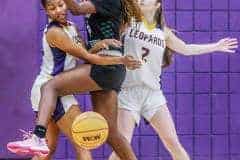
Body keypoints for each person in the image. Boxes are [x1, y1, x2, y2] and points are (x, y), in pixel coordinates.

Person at [8, 0, 143, 159]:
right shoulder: (58, 30)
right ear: (46, 11)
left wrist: (118, 59)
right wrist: (101, 44)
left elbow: (77, 9)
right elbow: (86, 51)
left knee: (50, 87)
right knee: (110, 133)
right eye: (52, 7)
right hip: (106, 66)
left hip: (105, 65)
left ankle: (37, 136)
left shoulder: (103, 4)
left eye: (60, 4)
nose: (58, 9)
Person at [109, 0, 239, 160]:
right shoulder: (127, 23)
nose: (140, 1)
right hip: (128, 92)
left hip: (153, 94)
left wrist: (215, 46)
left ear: (157, 5)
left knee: (173, 143)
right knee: (122, 147)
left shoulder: (164, 32)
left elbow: (186, 49)